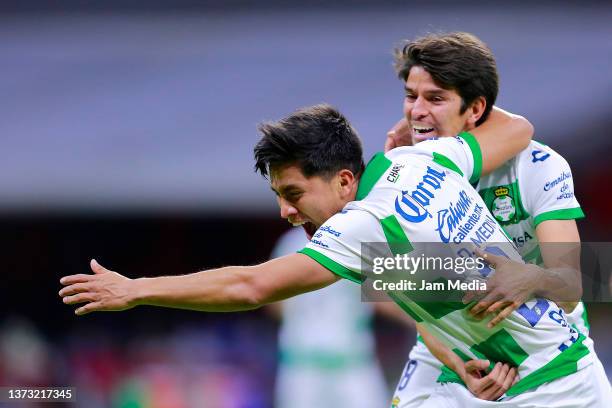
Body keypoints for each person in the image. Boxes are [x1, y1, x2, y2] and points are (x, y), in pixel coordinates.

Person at [59, 103, 610, 406]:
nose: (285, 213)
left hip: (550, 391)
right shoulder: (424, 162)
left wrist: (137, 290)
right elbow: (516, 127)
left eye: (294, 194)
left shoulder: (360, 225)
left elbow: (250, 288)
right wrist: (456, 357)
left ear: (345, 180)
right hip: (548, 369)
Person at [384, 32, 603, 407]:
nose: (416, 111)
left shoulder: (538, 167)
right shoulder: (403, 175)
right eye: (410, 96)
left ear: (475, 109)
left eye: (435, 98)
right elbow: (409, 294)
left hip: (544, 349)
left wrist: (530, 277)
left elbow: (570, 288)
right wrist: (455, 359)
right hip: (448, 349)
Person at [269, 227, 388, 408]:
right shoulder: (291, 242)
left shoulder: (361, 236)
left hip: (353, 363)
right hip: (303, 364)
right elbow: (274, 303)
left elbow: (386, 297)